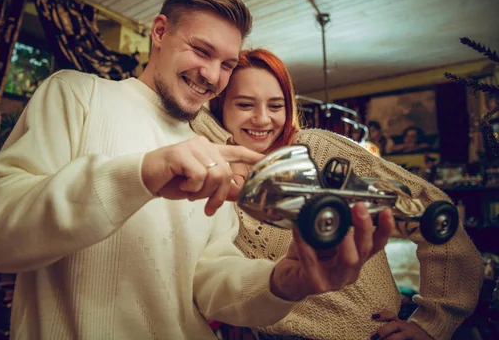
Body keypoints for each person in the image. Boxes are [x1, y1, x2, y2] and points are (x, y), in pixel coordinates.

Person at [0, 0, 394, 339]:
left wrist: (284, 281)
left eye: (226, 64)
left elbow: (211, 281)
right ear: (161, 32)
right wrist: (143, 172)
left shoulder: (211, 150)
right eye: (201, 51)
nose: (212, 77)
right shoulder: (77, 95)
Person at [191, 48, 483, 340]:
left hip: (373, 332)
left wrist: (432, 323)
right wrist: (221, 141)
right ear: (219, 107)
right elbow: (189, 113)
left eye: (276, 106)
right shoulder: (213, 174)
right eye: (244, 104)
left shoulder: (315, 148)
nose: (262, 119)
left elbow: (429, 206)